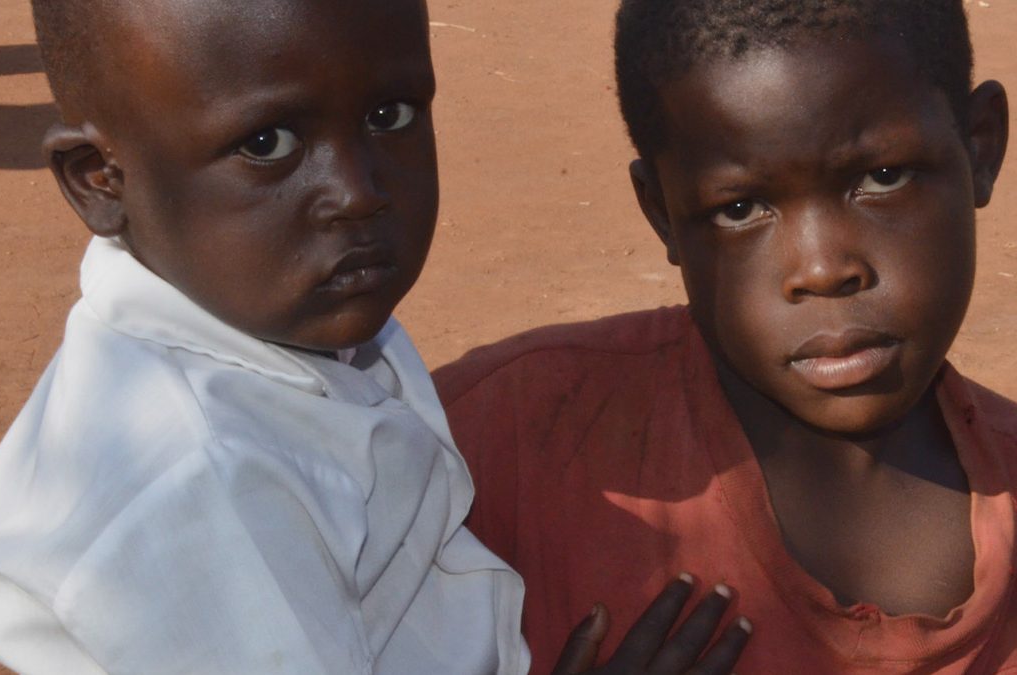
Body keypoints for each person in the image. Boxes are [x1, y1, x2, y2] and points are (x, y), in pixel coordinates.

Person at [0, 0, 754, 673]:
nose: (358, 191)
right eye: (267, 144)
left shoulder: (274, 322)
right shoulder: (195, 492)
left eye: (389, 115)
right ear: (100, 180)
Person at [433, 0, 1014, 672]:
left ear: (979, 144)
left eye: (882, 177)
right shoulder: (480, 456)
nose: (823, 268)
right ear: (663, 213)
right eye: (739, 209)